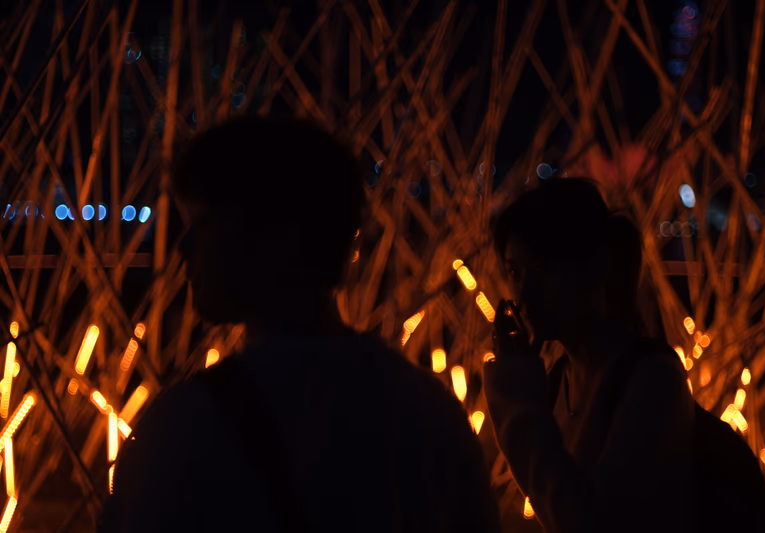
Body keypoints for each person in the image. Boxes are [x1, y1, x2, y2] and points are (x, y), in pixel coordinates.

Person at [98, 116, 500, 532]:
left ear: (280, 235)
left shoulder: (183, 428)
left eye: (204, 224)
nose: (184, 247)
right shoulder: (430, 413)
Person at [483, 178, 695, 532]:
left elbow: (589, 521)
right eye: (514, 272)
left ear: (593, 268)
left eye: (543, 268)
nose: (524, 293)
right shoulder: (558, 380)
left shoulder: (653, 379)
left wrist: (516, 402)